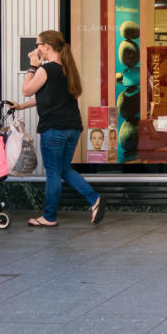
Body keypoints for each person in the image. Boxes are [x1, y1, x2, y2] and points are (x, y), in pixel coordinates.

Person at [18, 30, 105, 227]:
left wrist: (32, 66)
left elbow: (26, 90)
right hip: (72, 128)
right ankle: (95, 200)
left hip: (54, 129)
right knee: (63, 169)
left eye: (38, 44)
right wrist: (22, 107)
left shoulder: (45, 69)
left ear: (46, 47)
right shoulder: (67, 69)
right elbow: (47, 96)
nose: (36, 48)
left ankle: (49, 216)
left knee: (53, 173)